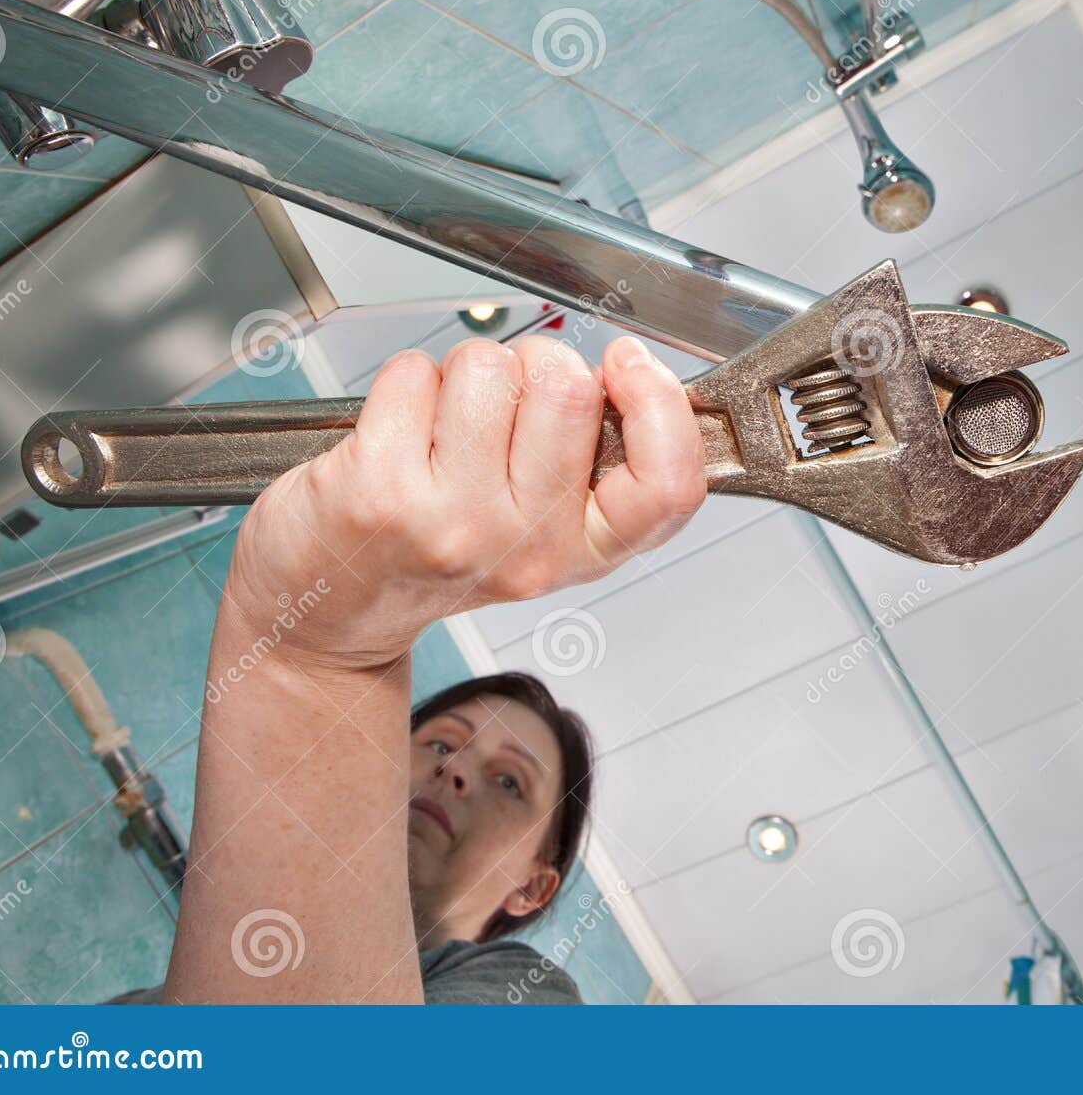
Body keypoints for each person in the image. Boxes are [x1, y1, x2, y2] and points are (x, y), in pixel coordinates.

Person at [117, 334, 705, 1003]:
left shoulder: (533, 1003)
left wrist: (318, 657)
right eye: (440, 742)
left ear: (533, 885)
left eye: (509, 782)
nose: (454, 770)